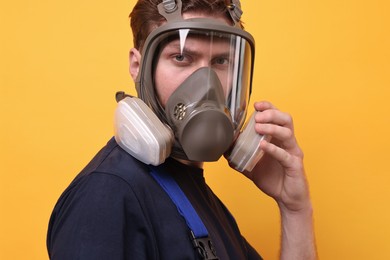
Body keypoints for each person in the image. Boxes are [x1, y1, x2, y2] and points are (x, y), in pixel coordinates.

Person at [47, 0, 317, 259]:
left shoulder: (203, 200)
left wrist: (295, 209)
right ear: (138, 66)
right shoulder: (108, 195)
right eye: (181, 57)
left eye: (221, 61)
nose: (206, 82)